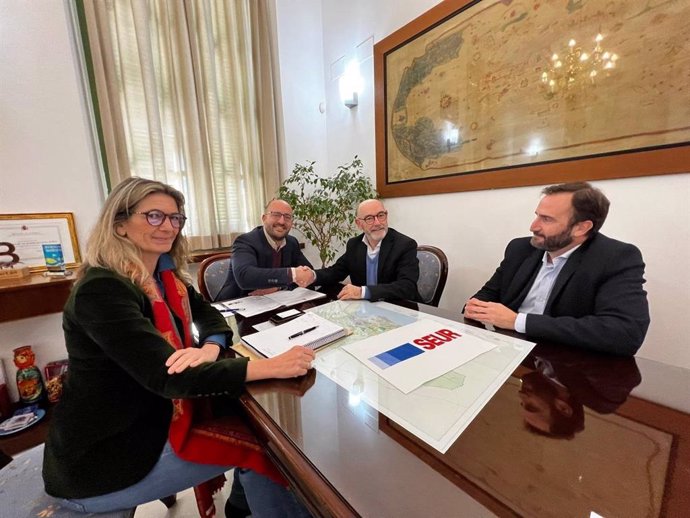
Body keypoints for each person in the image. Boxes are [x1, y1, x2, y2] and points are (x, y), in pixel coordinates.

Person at [42, 177, 314, 517]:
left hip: (147, 418)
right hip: (105, 455)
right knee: (270, 448)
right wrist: (269, 366)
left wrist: (210, 348)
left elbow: (211, 316)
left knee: (253, 422)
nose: (168, 226)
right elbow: (168, 377)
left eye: (175, 218)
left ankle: (240, 508)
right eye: (154, 216)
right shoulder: (102, 290)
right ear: (120, 224)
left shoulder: (167, 277)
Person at [464, 182, 650, 356]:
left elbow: (626, 332)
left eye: (546, 219)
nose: (533, 226)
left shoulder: (615, 258)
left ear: (581, 228)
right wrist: (476, 307)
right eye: (537, 215)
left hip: (566, 367)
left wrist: (518, 321)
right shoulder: (520, 249)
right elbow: (486, 296)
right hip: (507, 351)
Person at [519, 344, 641, 437]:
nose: (521, 395)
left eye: (522, 404)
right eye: (531, 407)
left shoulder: (525, 359)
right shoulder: (604, 395)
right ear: (563, 407)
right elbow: (624, 375)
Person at [309, 199, 419, 301]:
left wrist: (363, 292)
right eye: (369, 218)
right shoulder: (354, 245)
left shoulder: (405, 245)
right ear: (359, 223)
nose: (377, 223)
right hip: (365, 309)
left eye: (381, 215)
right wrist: (312, 275)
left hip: (399, 307)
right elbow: (335, 272)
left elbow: (407, 286)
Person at [216, 199, 314, 301]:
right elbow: (245, 277)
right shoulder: (245, 241)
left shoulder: (292, 243)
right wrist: (292, 274)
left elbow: (307, 273)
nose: (281, 221)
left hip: (274, 303)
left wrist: (278, 286)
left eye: (287, 217)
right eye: (276, 215)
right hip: (237, 305)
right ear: (264, 218)